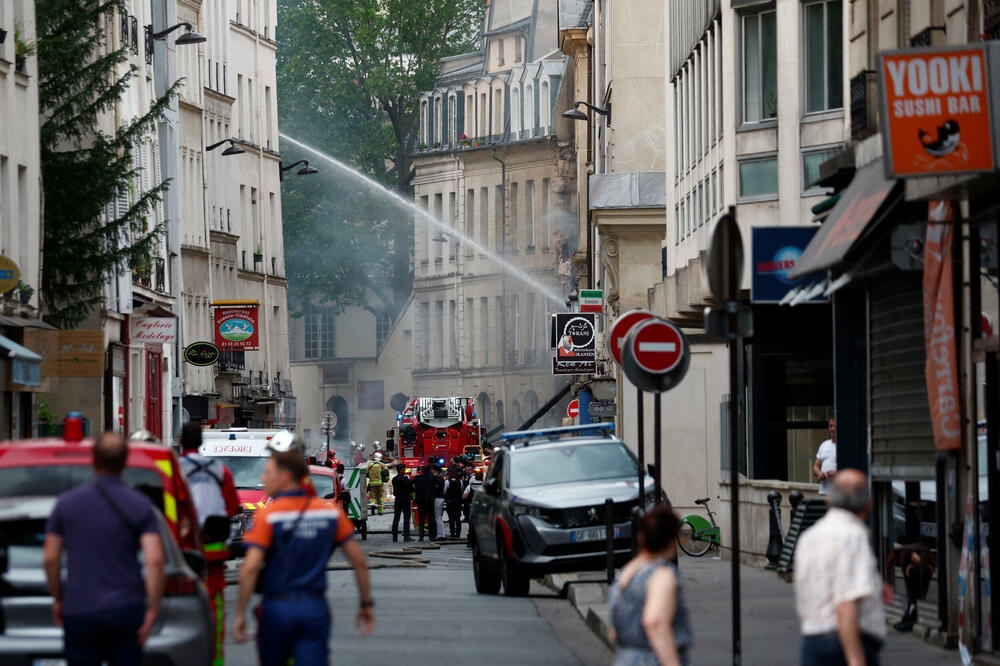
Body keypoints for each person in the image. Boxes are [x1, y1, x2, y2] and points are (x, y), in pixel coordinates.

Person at [233, 447, 375, 665]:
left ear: (285, 477)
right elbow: (359, 562)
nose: (262, 478)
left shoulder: (268, 516)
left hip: (277, 608)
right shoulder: (329, 513)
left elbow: (250, 568)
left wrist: (240, 612)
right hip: (314, 608)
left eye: (267, 473)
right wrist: (365, 604)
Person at [43, 432, 166, 666]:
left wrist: (59, 597)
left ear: (93, 459)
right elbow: (155, 561)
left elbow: (50, 558)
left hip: (80, 609)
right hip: (126, 610)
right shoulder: (140, 505)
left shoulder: (66, 504)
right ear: (125, 461)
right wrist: (153, 608)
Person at [794, 469, 887, 665]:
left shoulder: (808, 537)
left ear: (829, 500)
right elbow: (846, 601)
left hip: (812, 641)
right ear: (868, 506)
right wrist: (855, 659)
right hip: (845, 642)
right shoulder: (853, 536)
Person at [178, 422, 241, 666]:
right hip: (213, 552)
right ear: (202, 442)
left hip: (182, 552)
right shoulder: (219, 470)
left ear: (181, 441)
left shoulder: (172, 469)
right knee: (214, 614)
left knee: (182, 614)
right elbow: (233, 507)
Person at [608, 505, 692, 665]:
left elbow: (612, 631)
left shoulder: (627, 572)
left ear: (642, 537)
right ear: (672, 540)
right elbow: (655, 622)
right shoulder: (662, 574)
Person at [412, 464, 437, 542]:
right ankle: (431, 536)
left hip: (420, 500)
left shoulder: (417, 478)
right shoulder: (433, 478)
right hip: (430, 500)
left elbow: (410, 484)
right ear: (430, 470)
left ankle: (421, 536)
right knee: (431, 518)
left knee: (421, 519)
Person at [813, 418, 837, 495]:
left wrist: (837, 473)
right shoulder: (824, 445)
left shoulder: (847, 446)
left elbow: (853, 468)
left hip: (840, 493)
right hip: (823, 492)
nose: (832, 429)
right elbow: (816, 467)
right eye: (830, 426)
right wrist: (819, 473)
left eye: (835, 426)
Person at [391, 463, 413, 542]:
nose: (405, 470)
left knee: (396, 518)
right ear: (401, 470)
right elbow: (410, 490)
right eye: (404, 469)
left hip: (397, 500)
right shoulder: (405, 479)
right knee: (406, 518)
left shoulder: (394, 479)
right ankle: (406, 536)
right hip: (406, 500)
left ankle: (394, 537)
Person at [444, 468, 465, 538]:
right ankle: (458, 533)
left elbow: (444, 492)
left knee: (451, 518)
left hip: (450, 502)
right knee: (458, 518)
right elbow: (461, 490)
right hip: (458, 502)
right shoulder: (460, 482)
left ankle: (452, 533)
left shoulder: (447, 482)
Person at [432, 464, 446, 539]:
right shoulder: (441, 478)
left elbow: (435, 488)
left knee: (437, 517)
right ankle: (441, 533)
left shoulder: (437, 479)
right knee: (439, 517)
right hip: (441, 498)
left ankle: (439, 534)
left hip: (437, 498)